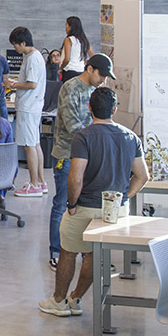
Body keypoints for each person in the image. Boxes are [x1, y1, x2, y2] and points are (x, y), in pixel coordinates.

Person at [39, 87, 148, 317]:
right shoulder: (131, 137)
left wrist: (71, 204)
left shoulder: (84, 136)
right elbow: (142, 176)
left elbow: (76, 177)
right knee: (93, 254)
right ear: (115, 110)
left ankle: (59, 301)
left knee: (68, 251)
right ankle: (76, 299)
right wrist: (123, 198)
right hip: (115, 212)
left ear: (90, 108)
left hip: (86, 206)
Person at [48, 53, 113, 271]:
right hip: (68, 155)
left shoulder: (96, 91)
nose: (103, 80)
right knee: (63, 204)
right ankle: (56, 252)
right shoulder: (70, 88)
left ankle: (90, 255)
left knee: (87, 207)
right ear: (90, 69)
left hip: (90, 155)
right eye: (101, 75)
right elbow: (72, 125)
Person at [5, 26, 47, 197]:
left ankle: (34, 184)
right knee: (35, 144)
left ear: (23, 43)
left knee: (30, 146)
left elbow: (32, 84)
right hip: (33, 106)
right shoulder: (32, 57)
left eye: (16, 45)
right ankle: (41, 182)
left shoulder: (32, 59)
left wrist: (12, 85)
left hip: (29, 107)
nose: (15, 49)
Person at [59, 16, 95, 81]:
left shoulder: (68, 40)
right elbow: (93, 56)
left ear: (71, 27)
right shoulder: (84, 40)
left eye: (66, 25)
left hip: (69, 71)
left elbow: (67, 59)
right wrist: (85, 63)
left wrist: (61, 68)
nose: (65, 28)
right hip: (81, 71)